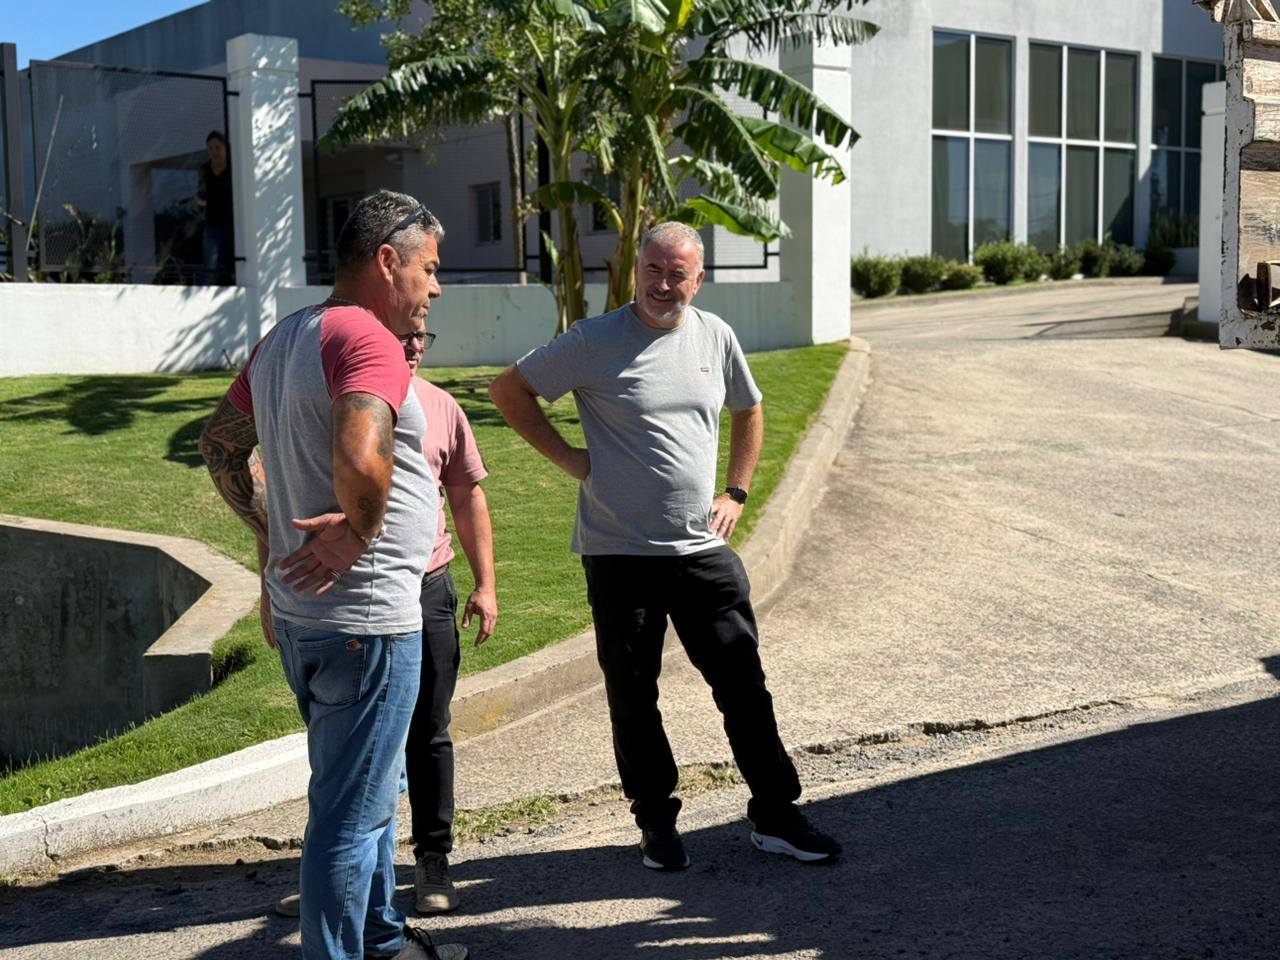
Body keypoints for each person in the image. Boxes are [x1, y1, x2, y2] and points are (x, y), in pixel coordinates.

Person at [488, 221, 841, 871]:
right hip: (619, 553)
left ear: (697, 280)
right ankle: (656, 822)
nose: (663, 284)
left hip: (700, 551)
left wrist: (736, 491)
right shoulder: (594, 340)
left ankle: (775, 815)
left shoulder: (715, 336)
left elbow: (749, 409)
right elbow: (509, 391)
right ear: (636, 271)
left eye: (677, 274)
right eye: (653, 269)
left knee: (744, 686)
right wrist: (571, 460)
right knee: (633, 697)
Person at [198, 189, 467, 960]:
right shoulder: (368, 337)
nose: (436, 286)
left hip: (309, 621)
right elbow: (360, 457)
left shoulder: (285, 336)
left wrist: (270, 529)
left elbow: (220, 445)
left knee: (365, 798)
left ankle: (381, 942)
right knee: (349, 822)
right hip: (366, 623)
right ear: (387, 260)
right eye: (429, 268)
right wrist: (360, 530)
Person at [275, 291, 498, 920]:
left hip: (425, 590)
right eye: (404, 336)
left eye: (422, 338)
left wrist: (485, 584)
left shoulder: (442, 408)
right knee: (345, 747)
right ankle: (340, 877)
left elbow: (468, 497)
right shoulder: (337, 404)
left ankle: (432, 858)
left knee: (427, 729)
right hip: (345, 597)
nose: (414, 345)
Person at [195, 130, 234, 285]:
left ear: (225, 148)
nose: (214, 151)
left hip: (233, 223)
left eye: (218, 147)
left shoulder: (233, 168)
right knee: (210, 265)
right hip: (212, 222)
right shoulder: (204, 169)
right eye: (210, 148)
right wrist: (199, 200)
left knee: (235, 263)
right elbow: (202, 194)